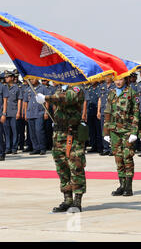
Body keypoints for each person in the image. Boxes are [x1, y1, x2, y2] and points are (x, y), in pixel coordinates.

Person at [36, 84, 87, 212]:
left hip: (72, 135)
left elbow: (66, 99)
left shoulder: (76, 88)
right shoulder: (60, 89)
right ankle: (67, 199)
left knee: (76, 167)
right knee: (62, 168)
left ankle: (77, 201)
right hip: (58, 135)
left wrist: (46, 98)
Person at [103, 76, 140, 197]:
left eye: (120, 80)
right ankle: (122, 185)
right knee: (118, 158)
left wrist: (134, 131)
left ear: (125, 80)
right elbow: (107, 112)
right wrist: (106, 132)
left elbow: (136, 113)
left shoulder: (131, 92)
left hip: (127, 130)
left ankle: (128, 187)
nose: (118, 82)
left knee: (127, 157)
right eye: (116, 80)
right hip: (114, 130)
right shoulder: (112, 93)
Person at [23, 79, 48, 155]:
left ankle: (42, 148)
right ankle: (36, 148)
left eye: (33, 79)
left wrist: (46, 112)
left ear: (37, 78)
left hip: (39, 112)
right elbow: (25, 102)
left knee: (39, 130)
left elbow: (47, 100)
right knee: (32, 132)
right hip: (30, 113)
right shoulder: (28, 89)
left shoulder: (43, 88)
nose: (31, 81)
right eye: (30, 79)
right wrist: (25, 113)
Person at [97, 76, 115, 156]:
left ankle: (112, 148)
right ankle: (106, 148)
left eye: (108, 76)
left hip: (111, 111)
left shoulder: (114, 86)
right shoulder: (101, 86)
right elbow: (100, 99)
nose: (107, 78)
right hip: (103, 111)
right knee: (103, 130)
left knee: (111, 130)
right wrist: (98, 111)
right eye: (105, 77)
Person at [4, 71, 21, 156]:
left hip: (14, 112)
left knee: (15, 131)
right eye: (5, 77)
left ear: (12, 78)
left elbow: (19, 100)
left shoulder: (17, 88)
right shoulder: (4, 87)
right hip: (5, 112)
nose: (6, 78)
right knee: (7, 132)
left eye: (8, 77)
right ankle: (8, 147)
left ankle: (14, 148)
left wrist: (18, 112)